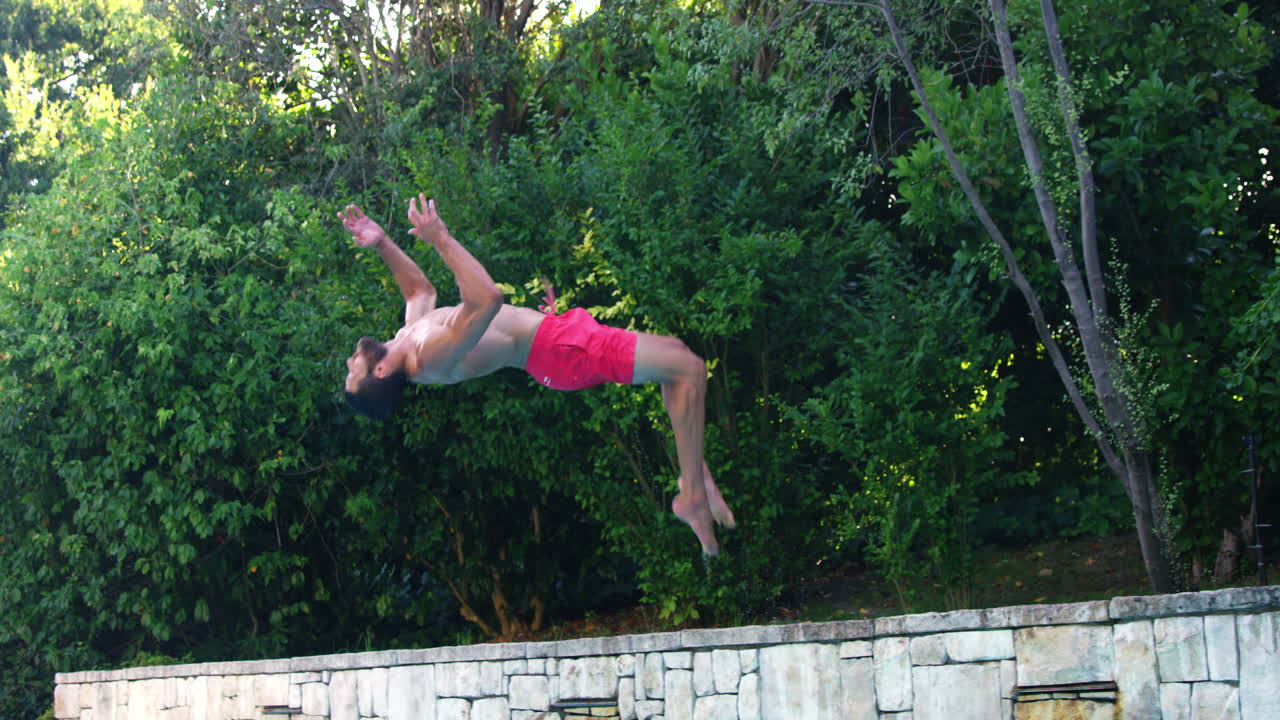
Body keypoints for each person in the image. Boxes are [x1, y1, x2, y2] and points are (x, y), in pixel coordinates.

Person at [339, 195, 735, 556]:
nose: (347, 363)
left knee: (677, 361)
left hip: (559, 339)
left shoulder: (408, 337)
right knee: (688, 369)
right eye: (353, 374)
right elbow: (486, 300)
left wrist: (382, 244)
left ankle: (692, 472)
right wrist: (441, 238)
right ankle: (692, 497)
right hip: (561, 353)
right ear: (380, 370)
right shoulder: (430, 358)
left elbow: (418, 292)